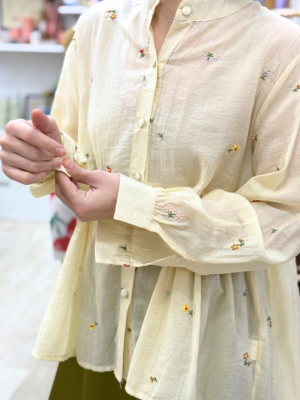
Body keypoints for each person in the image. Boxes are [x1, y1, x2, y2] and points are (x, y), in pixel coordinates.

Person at [1, 0, 300, 398]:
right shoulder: (98, 26)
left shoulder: (281, 48)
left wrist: (137, 205)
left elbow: (284, 219)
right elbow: (73, 147)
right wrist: (41, 154)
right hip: (99, 318)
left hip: (203, 342)